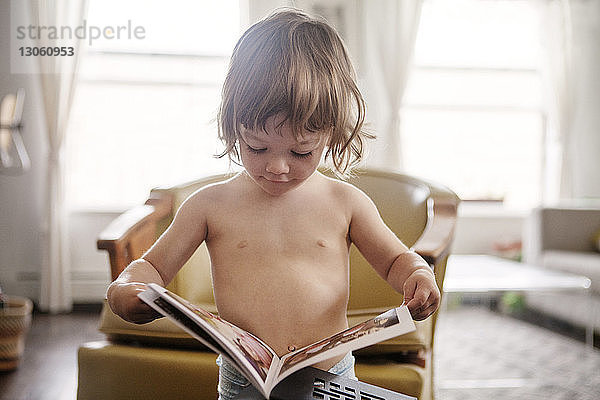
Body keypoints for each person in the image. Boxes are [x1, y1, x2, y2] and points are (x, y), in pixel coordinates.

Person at [106, 8, 440, 400]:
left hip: (329, 376)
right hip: (243, 379)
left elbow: (396, 260)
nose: (277, 167)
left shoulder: (346, 202)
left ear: (331, 134)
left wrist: (417, 275)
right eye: (257, 147)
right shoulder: (208, 205)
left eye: (301, 152)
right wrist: (127, 290)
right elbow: (152, 267)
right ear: (233, 125)